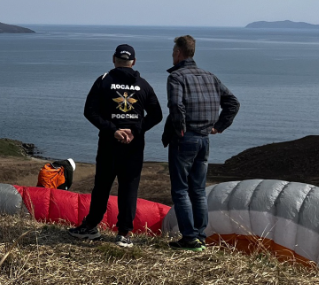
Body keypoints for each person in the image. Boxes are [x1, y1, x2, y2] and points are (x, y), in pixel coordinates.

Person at [70, 44, 163, 247]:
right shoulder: (144, 85)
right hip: (134, 146)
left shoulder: (104, 81)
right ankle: (124, 234)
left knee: (102, 186)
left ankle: (91, 227)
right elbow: (157, 115)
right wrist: (135, 130)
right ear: (134, 62)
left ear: (114, 59)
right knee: (129, 187)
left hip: (108, 143)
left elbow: (89, 111)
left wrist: (112, 129)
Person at [161, 35, 240, 251]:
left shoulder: (176, 77)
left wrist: (179, 128)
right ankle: (199, 236)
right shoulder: (210, 77)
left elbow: (176, 106)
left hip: (185, 138)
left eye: (173, 52)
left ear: (178, 53)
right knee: (197, 189)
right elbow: (233, 103)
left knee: (180, 190)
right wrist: (218, 126)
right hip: (204, 139)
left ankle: (188, 238)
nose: (172, 55)